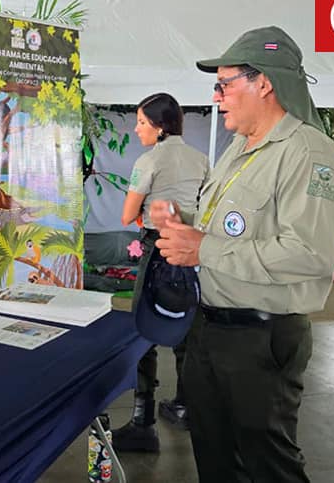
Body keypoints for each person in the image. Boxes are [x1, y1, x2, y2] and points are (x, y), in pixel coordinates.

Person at [149, 26, 334, 482]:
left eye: (224, 85)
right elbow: (229, 225)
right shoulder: (239, 148)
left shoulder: (309, 154)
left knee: (268, 465)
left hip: (262, 340)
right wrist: (183, 222)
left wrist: (204, 247)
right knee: (215, 457)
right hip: (210, 329)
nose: (217, 96)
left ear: (263, 82)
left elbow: (310, 254)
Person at [112, 93, 208, 451]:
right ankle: (184, 406)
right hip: (191, 251)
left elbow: (126, 215)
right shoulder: (201, 159)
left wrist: (143, 215)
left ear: (161, 126)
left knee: (144, 329)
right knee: (186, 329)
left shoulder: (149, 160)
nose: (136, 129)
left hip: (157, 251)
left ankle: (143, 422)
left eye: (141, 122)